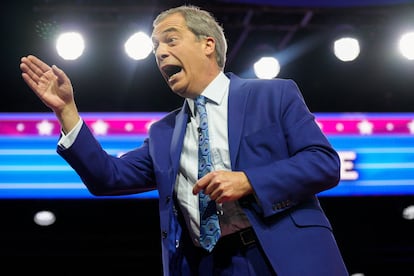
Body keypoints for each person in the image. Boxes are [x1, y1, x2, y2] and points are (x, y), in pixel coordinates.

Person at [20, 4, 349, 276]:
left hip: (286, 258)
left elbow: (323, 163)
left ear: (207, 44)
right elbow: (108, 177)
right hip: (210, 265)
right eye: (155, 48)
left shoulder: (273, 94)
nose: (160, 53)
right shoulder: (163, 133)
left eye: (170, 40)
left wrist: (250, 181)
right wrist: (66, 111)